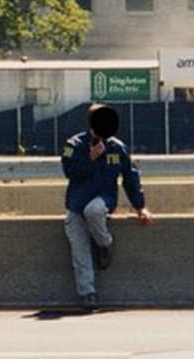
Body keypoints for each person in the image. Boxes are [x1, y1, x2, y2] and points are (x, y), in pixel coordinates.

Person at [61, 103, 153, 311]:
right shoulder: (74, 145)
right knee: (79, 250)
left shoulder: (117, 147)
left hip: (103, 199)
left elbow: (130, 177)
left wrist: (140, 207)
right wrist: (90, 158)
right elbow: (69, 171)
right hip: (76, 203)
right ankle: (88, 294)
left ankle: (105, 244)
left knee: (93, 211)